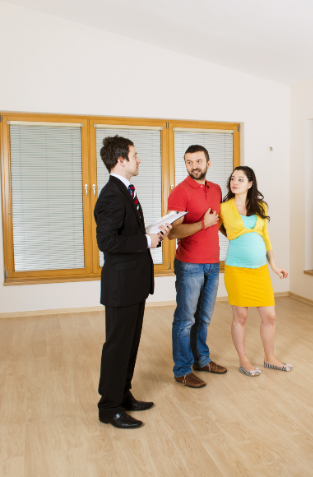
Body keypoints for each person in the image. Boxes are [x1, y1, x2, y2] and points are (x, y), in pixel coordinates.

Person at [95, 135, 172, 429]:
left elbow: (125, 232)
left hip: (133, 283)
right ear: (121, 160)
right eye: (135, 155)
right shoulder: (112, 194)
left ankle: (123, 394)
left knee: (130, 343)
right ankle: (109, 407)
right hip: (121, 285)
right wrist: (146, 239)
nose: (139, 159)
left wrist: (152, 232)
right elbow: (107, 241)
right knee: (117, 346)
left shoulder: (123, 189)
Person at [219, 166, 292, 377]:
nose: (235, 182)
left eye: (240, 179)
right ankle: (244, 360)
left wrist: (274, 265)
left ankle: (270, 358)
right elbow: (215, 228)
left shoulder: (260, 206)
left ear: (250, 184)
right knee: (240, 316)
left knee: (270, 315)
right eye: (233, 178)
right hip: (237, 270)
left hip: (260, 270)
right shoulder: (224, 207)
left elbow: (266, 238)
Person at [166, 145, 227, 388]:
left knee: (204, 317)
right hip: (189, 265)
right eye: (189, 162)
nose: (194, 166)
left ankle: (201, 360)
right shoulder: (180, 192)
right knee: (185, 320)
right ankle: (182, 369)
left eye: (198, 161)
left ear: (208, 163)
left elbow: (219, 222)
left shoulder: (216, 189)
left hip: (213, 263)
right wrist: (203, 224)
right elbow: (172, 232)